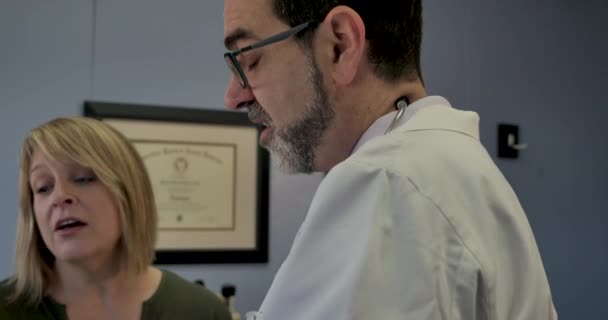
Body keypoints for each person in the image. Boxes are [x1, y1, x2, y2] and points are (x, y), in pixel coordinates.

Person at [222, 0, 558, 319]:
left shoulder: (388, 180)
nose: (233, 97)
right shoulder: (450, 167)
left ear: (341, 46)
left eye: (248, 59)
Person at [0, 117, 231, 320]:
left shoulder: (201, 311)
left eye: (82, 178)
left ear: (128, 193)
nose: (59, 197)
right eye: (43, 187)